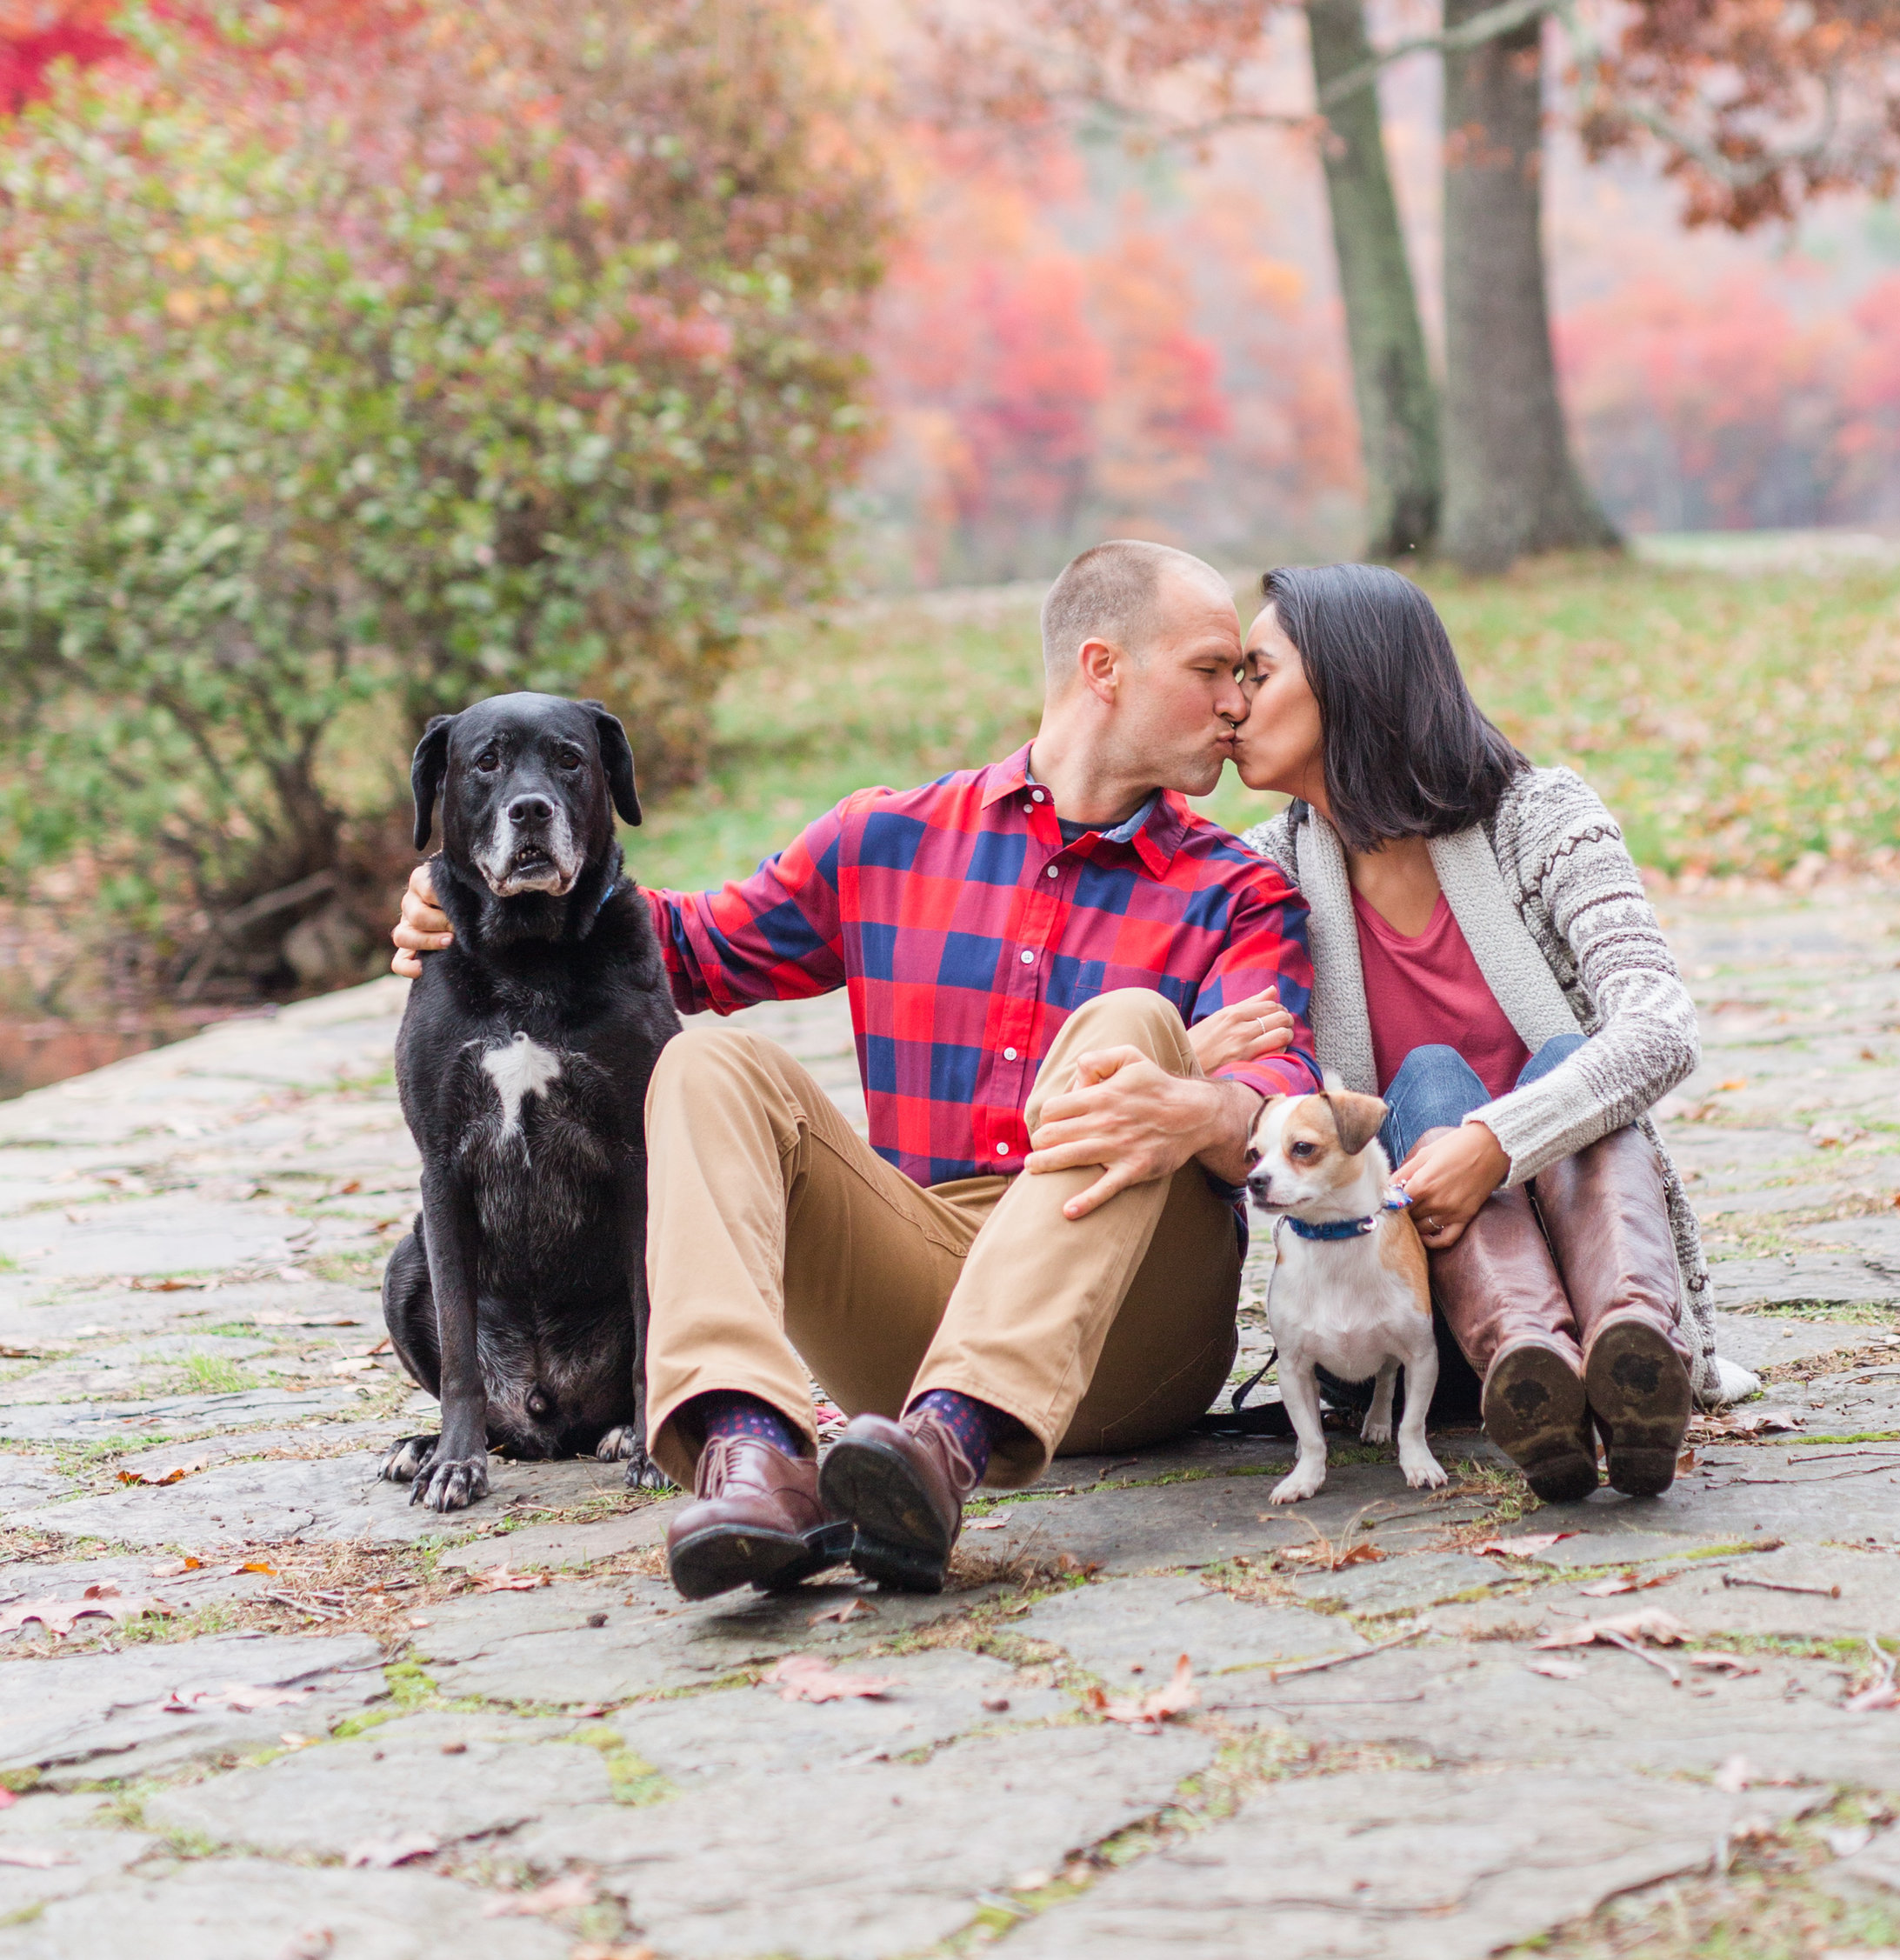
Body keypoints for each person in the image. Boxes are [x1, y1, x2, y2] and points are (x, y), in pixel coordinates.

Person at [389, 540, 1315, 1597]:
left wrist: (1199, 1106)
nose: (1236, 703)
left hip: (1124, 1329)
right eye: (1211, 671)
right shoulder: (886, 839)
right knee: (703, 1066)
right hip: (911, 1309)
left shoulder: (1239, 893)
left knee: (1132, 1025)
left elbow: (1287, 1097)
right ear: (1104, 669)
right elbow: (678, 947)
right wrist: (475, 894)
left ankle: (952, 1450)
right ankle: (746, 1457)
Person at [1229, 563, 1753, 1502]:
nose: (1234, 703)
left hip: (1595, 1259)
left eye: (1257, 671)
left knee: (1563, 1060)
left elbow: (1660, 1027)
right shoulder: (1268, 873)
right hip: (1423, 1316)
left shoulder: (1540, 818)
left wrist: (1497, 1143)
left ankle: (1632, 1364)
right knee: (1427, 1082)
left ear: (1349, 678)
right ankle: (1534, 1375)